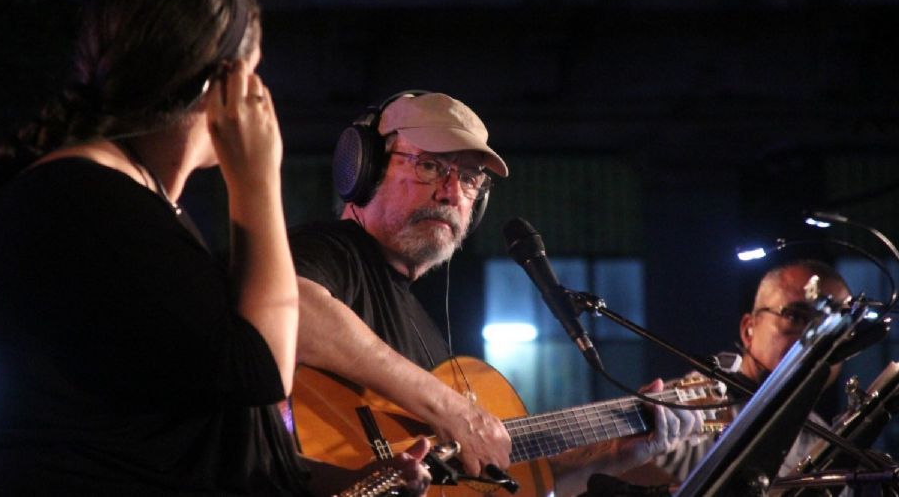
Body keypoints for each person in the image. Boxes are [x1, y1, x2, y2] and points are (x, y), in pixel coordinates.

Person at [0, 0, 429, 495]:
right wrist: (257, 179)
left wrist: (354, 481)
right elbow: (262, 368)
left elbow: (203, 433)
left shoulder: (126, 203)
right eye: (253, 70)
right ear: (220, 81)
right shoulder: (88, 203)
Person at [288, 91, 702, 496]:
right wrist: (451, 409)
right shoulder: (333, 249)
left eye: (469, 179)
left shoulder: (425, 330)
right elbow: (290, 311)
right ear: (365, 168)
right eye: (430, 166)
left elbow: (501, 484)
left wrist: (614, 454)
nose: (451, 193)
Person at [642, 260, 851, 484]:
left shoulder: (824, 439)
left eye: (835, 330)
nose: (816, 339)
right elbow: (614, 463)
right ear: (748, 329)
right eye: (796, 317)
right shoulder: (698, 398)